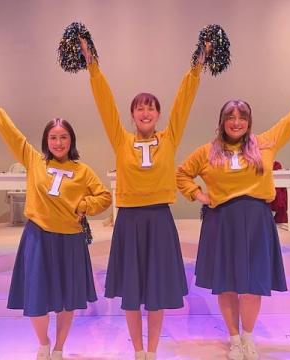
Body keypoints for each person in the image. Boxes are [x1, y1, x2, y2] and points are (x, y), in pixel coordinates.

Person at [79, 39, 210, 360]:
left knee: (156, 291)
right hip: (129, 222)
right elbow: (104, 103)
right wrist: (92, 66)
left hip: (160, 221)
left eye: (151, 107)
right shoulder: (120, 139)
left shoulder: (170, 138)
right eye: (140, 107)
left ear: (158, 114)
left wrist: (198, 65)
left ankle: (152, 351)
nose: (145, 111)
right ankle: (138, 350)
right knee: (132, 291)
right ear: (132, 115)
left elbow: (184, 102)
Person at [176, 91, 290, 360]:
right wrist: (199, 195)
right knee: (227, 284)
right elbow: (181, 174)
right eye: (230, 117)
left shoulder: (264, 143)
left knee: (252, 285)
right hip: (222, 223)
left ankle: (248, 336)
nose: (236, 122)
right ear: (221, 122)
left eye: (242, 117)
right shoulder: (207, 152)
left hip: (256, 222)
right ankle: (233, 338)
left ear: (249, 121)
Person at [0, 94, 112, 360]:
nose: (58, 142)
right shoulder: (34, 160)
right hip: (38, 238)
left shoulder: (83, 170)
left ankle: (59, 348)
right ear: (46, 141)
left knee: (67, 299)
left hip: (71, 241)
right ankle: (43, 342)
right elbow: (12, 134)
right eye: (53, 137)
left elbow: (105, 198)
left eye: (63, 137)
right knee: (36, 296)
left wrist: (84, 206)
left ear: (71, 141)